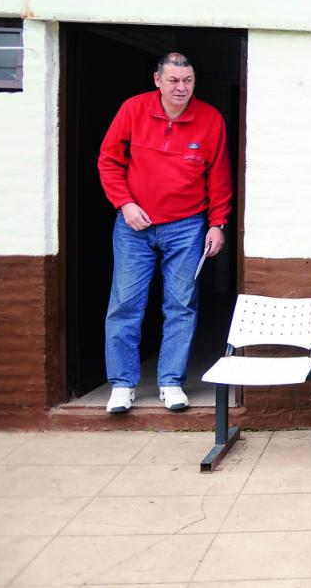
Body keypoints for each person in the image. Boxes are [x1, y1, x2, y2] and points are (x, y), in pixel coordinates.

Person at [97, 52, 233, 413]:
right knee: (125, 304)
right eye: (173, 80)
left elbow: (219, 176)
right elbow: (108, 161)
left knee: (181, 304)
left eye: (187, 80)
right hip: (133, 225)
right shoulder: (133, 109)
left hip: (187, 225)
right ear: (157, 80)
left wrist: (217, 223)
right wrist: (124, 204)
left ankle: (171, 382)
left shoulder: (210, 119)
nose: (181, 87)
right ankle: (122, 385)